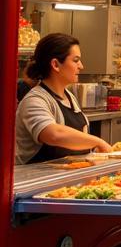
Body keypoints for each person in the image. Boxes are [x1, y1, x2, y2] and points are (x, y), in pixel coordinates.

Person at [16, 33, 113, 163]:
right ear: (55, 64)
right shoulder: (35, 101)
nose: (81, 66)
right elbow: (54, 135)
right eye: (75, 60)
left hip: (68, 176)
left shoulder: (69, 96)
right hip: (38, 179)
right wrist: (98, 142)